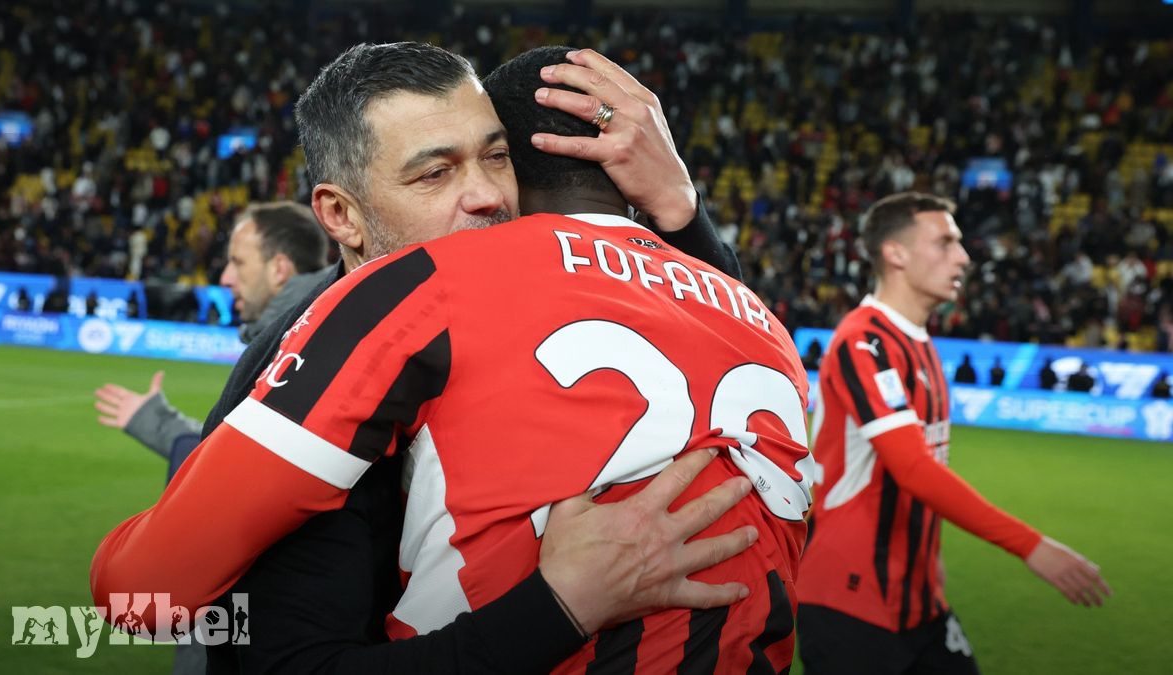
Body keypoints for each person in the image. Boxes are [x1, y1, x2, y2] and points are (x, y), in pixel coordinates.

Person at [92, 42, 755, 674]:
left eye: (496, 157)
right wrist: (558, 606)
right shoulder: (325, 370)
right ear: (341, 216)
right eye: (435, 173)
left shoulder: (495, 312)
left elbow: (720, 356)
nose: (489, 195)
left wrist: (678, 207)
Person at [796, 192, 1110, 675]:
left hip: (918, 597)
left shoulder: (919, 344)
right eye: (945, 242)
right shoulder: (864, 341)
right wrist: (1030, 545)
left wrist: (929, 558)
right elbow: (913, 469)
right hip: (851, 602)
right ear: (895, 254)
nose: (963, 257)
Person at [93, 202, 331, 481]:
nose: (225, 278)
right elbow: (245, 451)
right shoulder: (303, 335)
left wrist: (161, 426)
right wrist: (161, 424)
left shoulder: (304, 353)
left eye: (238, 262)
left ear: (279, 268)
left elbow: (248, 476)